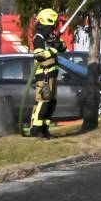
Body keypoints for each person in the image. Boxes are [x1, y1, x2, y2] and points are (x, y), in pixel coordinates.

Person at [29, 8, 66, 139]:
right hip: (44, 76)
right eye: (53, 23)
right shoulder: (38, 38)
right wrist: (54, 50)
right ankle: (36, 130)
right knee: (43, 102)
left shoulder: (49, 37)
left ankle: (45, 129)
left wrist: (59, 44)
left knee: (51, 103)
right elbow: (39, 55)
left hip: (52, 75)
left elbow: (63, 47)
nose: (54, 26)